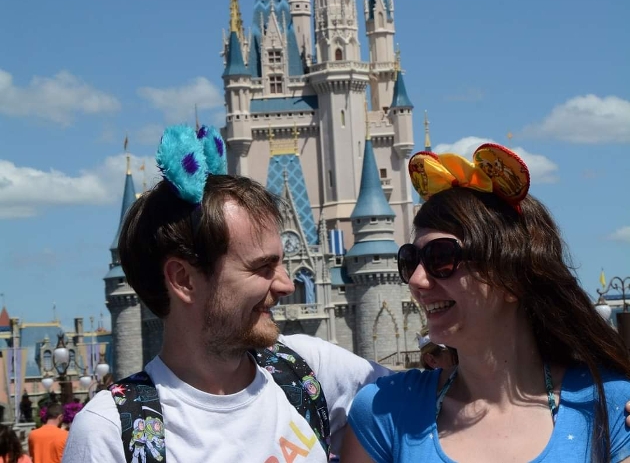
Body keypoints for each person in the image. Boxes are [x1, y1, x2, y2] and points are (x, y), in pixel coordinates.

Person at [62, 124, 391, 463]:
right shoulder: (113, 431)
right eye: (263, 268)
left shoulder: (306, 369)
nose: (286, 285)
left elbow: (437, 399)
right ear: (184, 280)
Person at [342, 143, 630, 463]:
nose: (416, 280)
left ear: (512, 278)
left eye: (441, 258)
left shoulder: (609, 404)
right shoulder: (384, 410)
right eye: (410, 260)